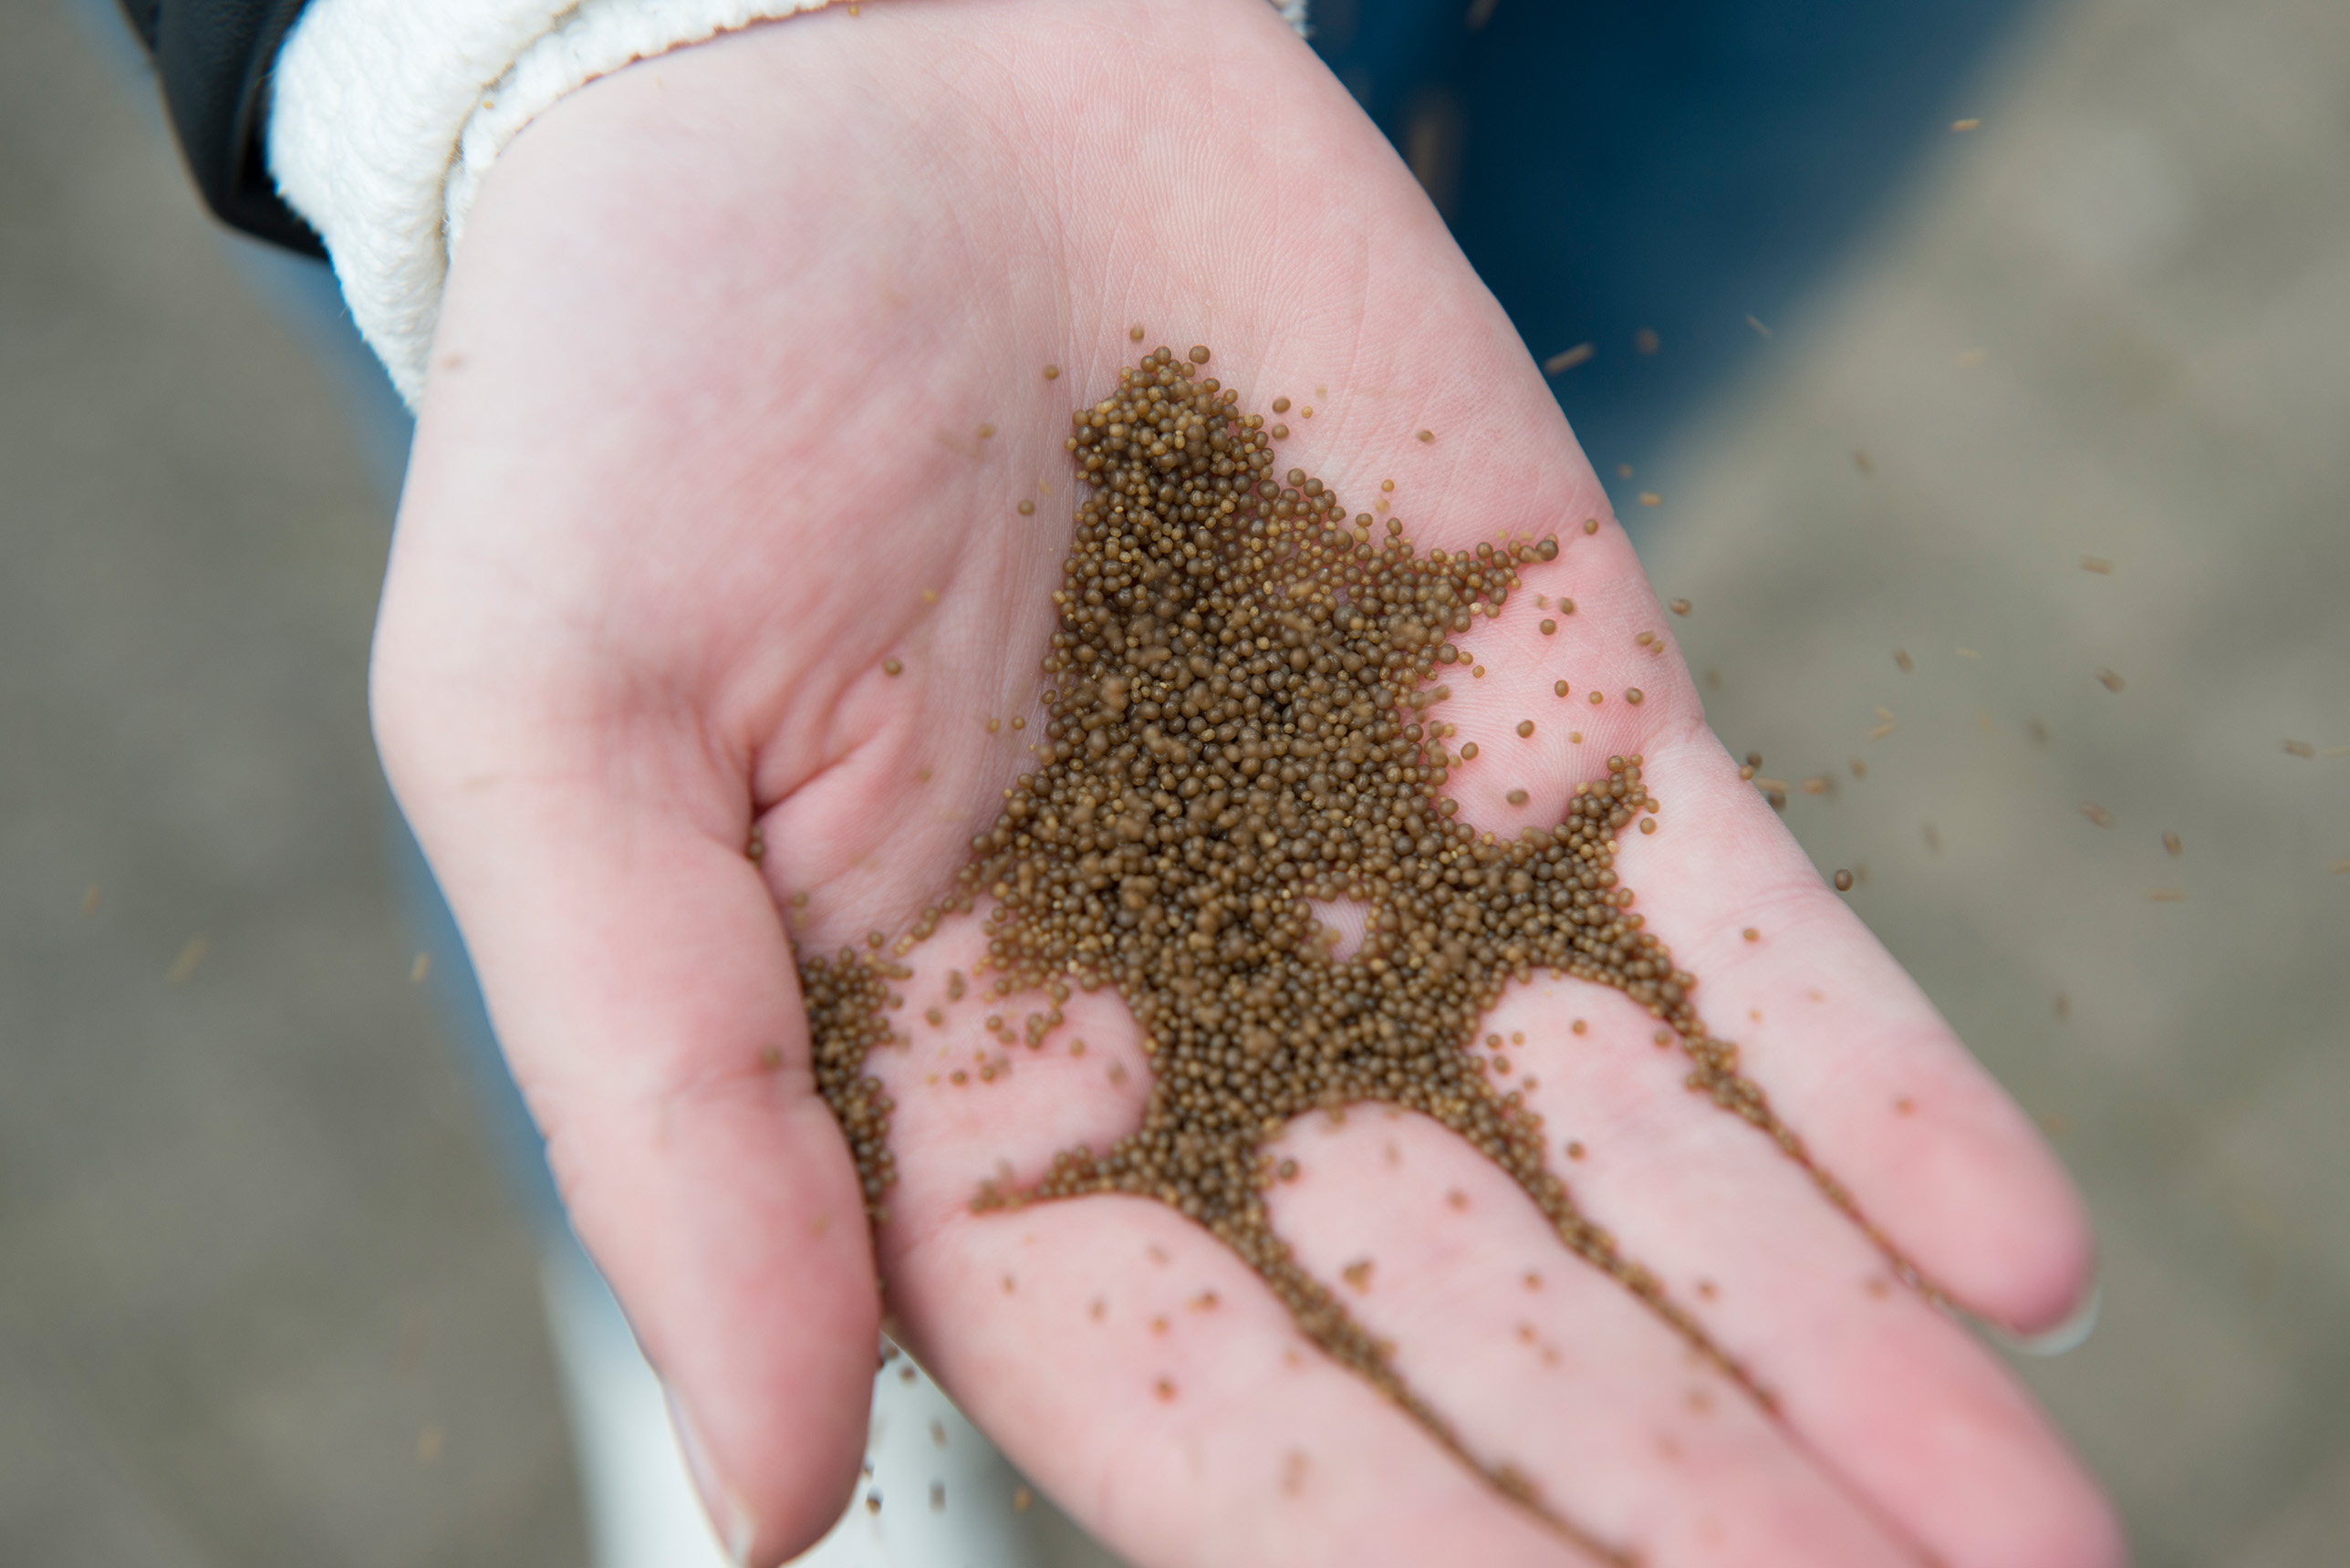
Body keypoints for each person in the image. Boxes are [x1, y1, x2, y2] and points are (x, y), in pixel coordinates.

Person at [123, 2, 2120, 1565]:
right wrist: (605, 24)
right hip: (670, 107)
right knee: (708, 725)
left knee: (1540, 350)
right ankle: (781, 1265)